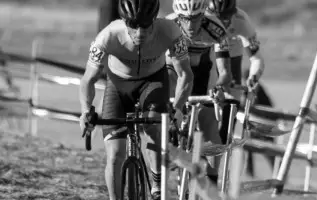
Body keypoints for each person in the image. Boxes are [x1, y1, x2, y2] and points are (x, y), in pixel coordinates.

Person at [78, 0, 194, 199]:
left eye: (146, 26)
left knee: (154, 127)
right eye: (133, 25)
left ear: (155, 21)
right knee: (115, 155)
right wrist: (86, 111)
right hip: (118, 86)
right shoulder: (108, 35)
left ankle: (157, 185)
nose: (140, 32)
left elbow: (185, 75)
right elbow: (88, 79)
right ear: (124, 20)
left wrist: (178, 109)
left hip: (153, 82)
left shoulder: (171, 31)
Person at [165, 0, 259, 186]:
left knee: (210, 129)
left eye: (196, 19)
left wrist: (217, 88)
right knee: (166, 106)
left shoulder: (216, 27)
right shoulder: (167, 25)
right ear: (178, 16)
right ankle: (170, 142)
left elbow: (225, 72)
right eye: (185, 19)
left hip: (202, 73)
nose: (191, 25)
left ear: (204, 15)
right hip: (172, 69)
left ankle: (212, 182)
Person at [207, 0, 268, 177]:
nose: (223, 22)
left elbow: (257, 59)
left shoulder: (242, 20)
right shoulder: (202, 16)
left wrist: (252, 78)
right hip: (207, 57)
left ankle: (213, 175)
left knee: (226, 127)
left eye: (227, 18)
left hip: (232, 59)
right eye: (219, 17)